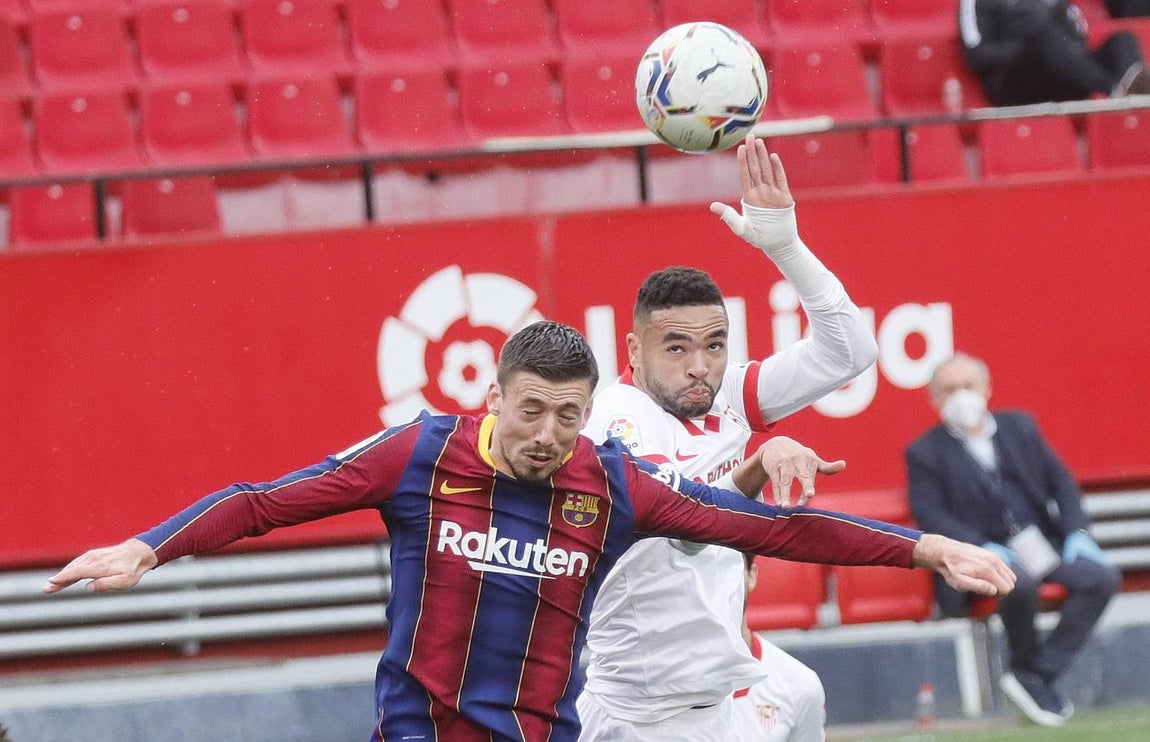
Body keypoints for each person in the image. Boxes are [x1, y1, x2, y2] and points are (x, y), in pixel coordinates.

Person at [43, 321, 1015, 742]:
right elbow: (264, 499)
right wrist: (149, 545)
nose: (549, 434)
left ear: (592, 408)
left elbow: (767, 525)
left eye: (568, 413)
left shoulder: (613, 484)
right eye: (531, 409)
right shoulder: (418, 455)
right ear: (494, 395)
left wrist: (924, 548)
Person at [576, 135, 879, 741]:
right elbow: (687, 523)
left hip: (711, 698)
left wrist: (786, 247)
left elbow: (851, 349)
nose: (699, 366)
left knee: (800, 690)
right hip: (636, 711)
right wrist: (762, 460)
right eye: (677, 347)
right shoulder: (614, 423)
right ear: (634, 350)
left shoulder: (728, 398)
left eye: (714, 345)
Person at [906, 352, 1120, 728]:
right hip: (975, 558)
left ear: (986, 389)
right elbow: (931, 515)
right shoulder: (924, 452)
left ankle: (1035, 674)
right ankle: (1030, 676)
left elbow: (1062, 484)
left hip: (1042, 546)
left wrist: (1077, 533)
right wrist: (976, 547)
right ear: (934, 400)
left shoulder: (1020, 427)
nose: (961, 396)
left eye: (968, 386)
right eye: (949, 390)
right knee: (1016, 582)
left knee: (1101, 578)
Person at [959, 0, 1150, 106]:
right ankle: (1116, 90)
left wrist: (1065, 54)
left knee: (1123, 38)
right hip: (1015, 84)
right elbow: (976, 53)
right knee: (1047, 40)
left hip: (1064, 73)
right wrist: (1028, 49)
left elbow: (1077, 35)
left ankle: (1136, 87)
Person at [732, 554, 825, 742]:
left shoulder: (800, 686)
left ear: (751, 576)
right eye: (709, 570)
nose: (718, 584)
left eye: (729, 568)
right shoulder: (660, 682)